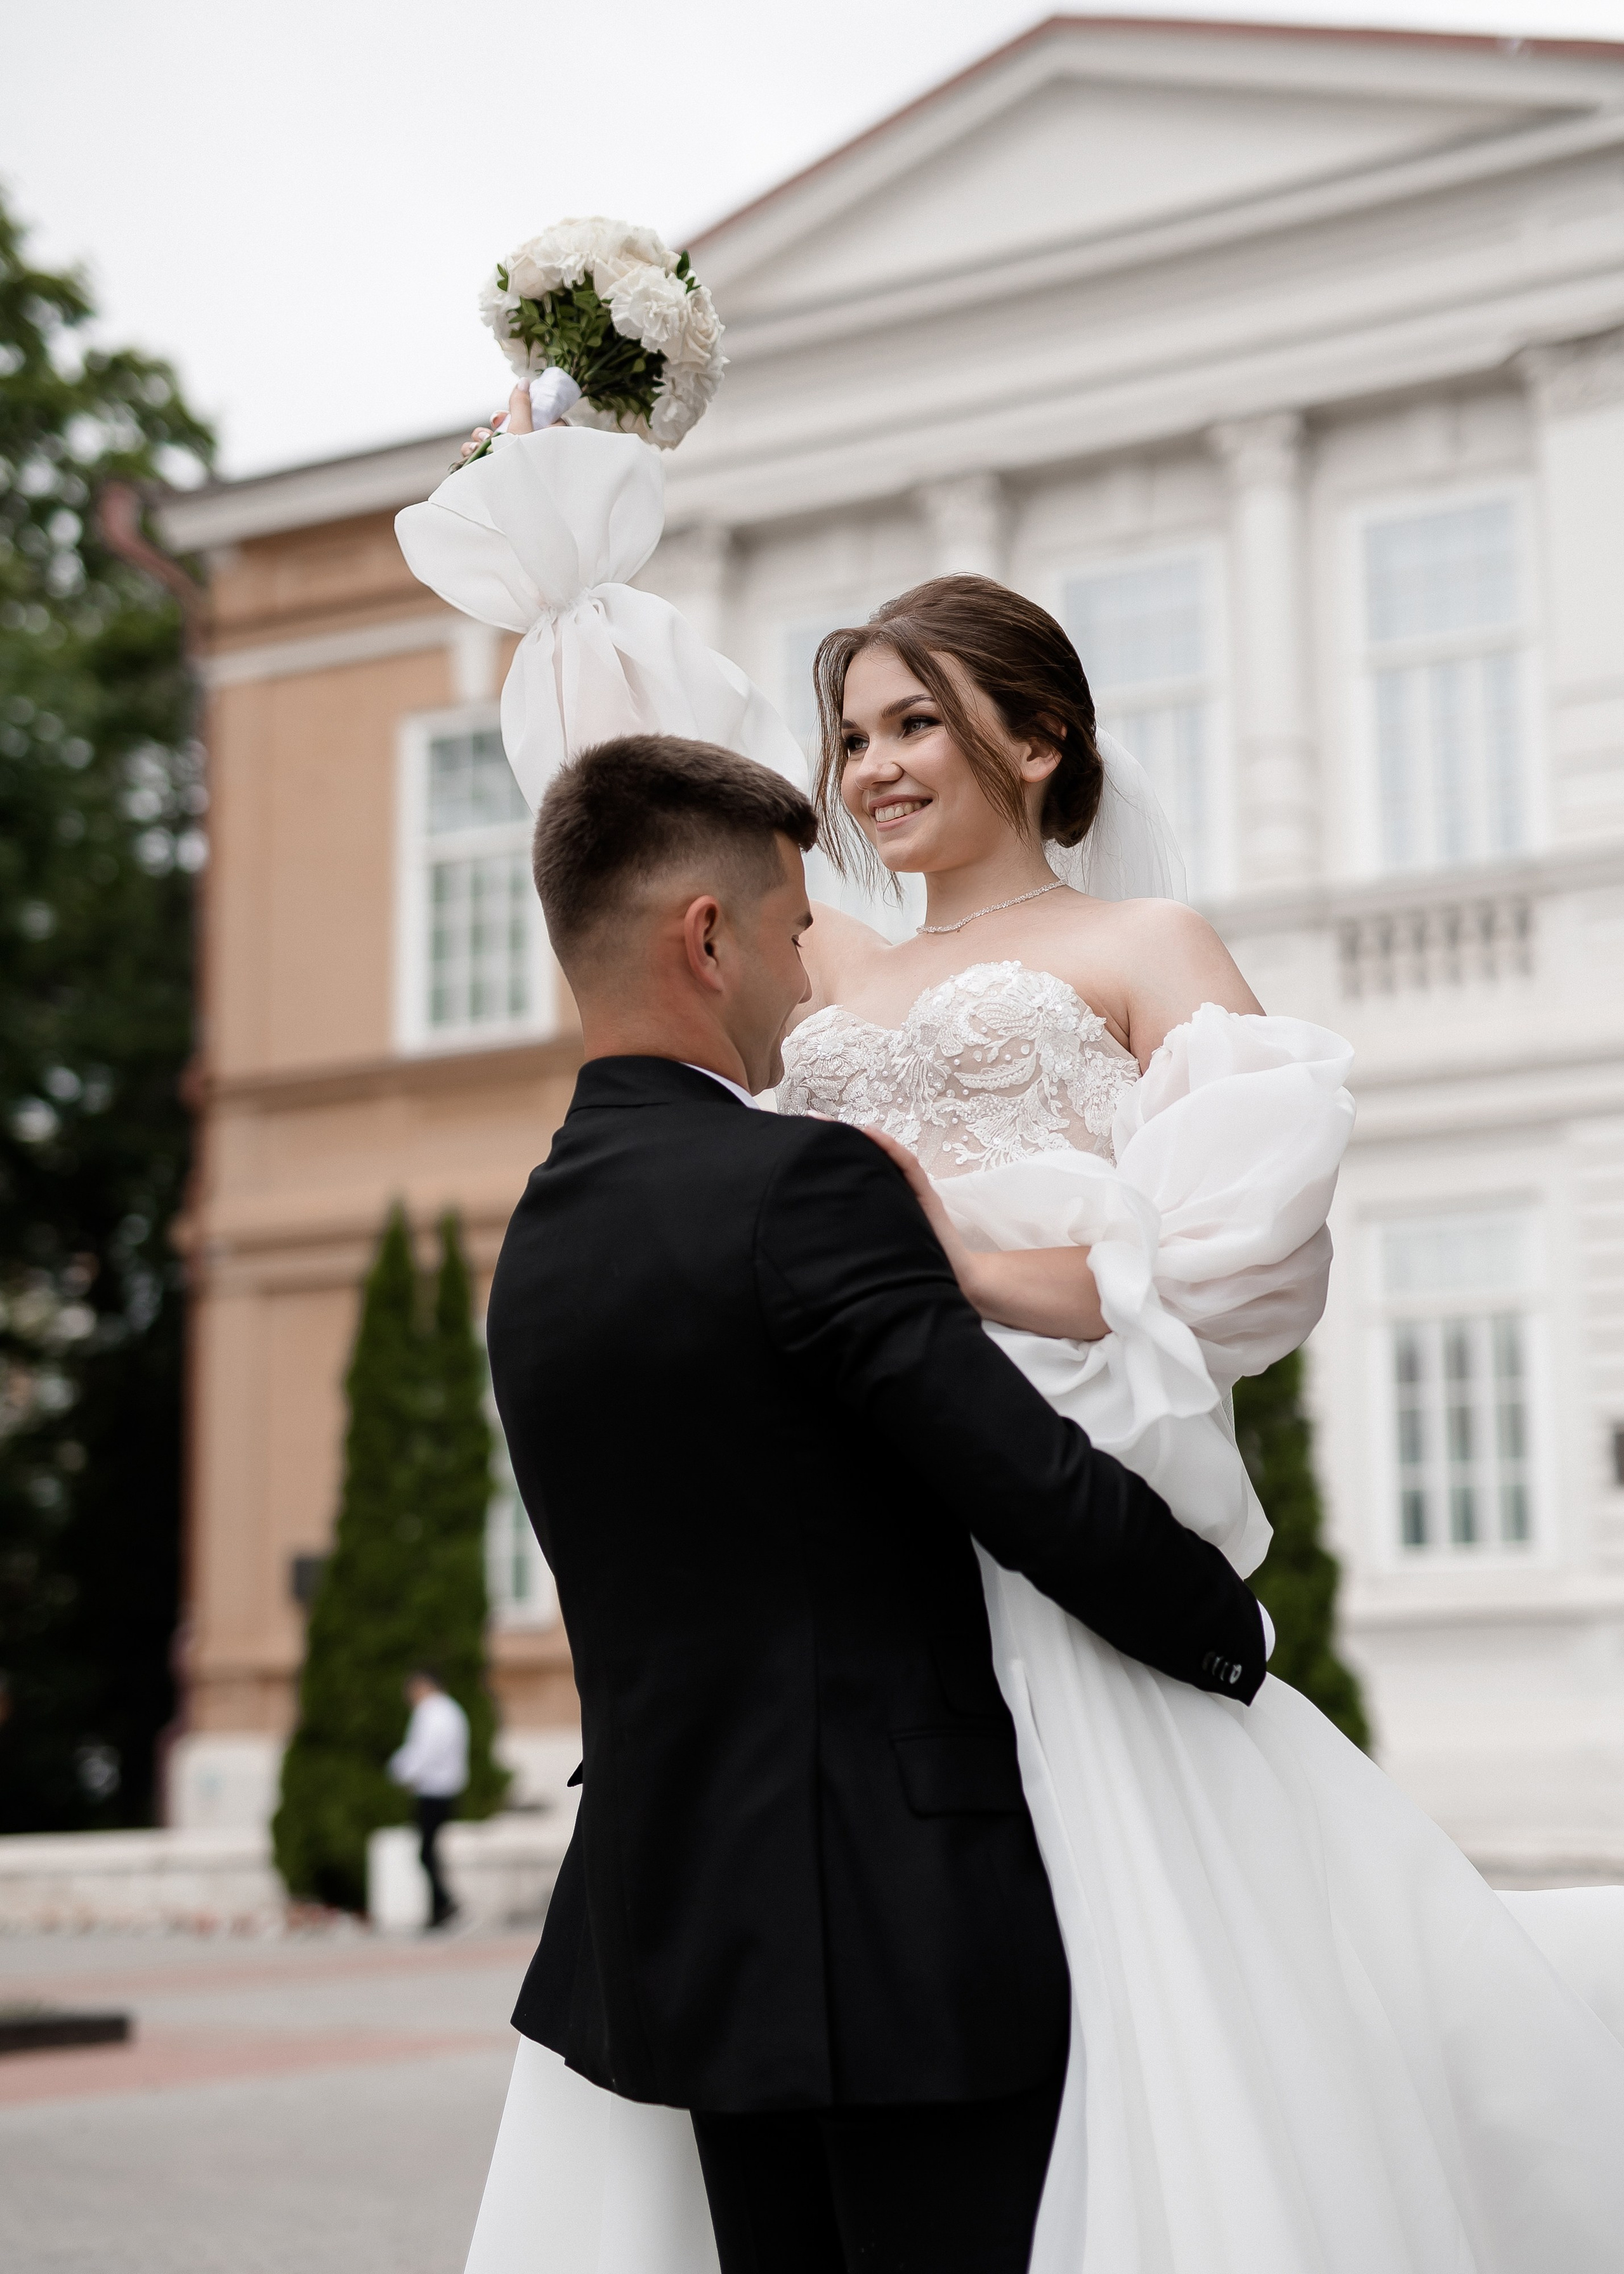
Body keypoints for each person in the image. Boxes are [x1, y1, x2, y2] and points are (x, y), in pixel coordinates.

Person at [403, 405, 1624, 2274]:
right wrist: (560, 512)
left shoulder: (1143, 945)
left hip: (1047, 1533)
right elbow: (630, 832)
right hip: (822, 1575)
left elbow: (1238, 1263)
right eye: (849, 734)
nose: (871, 766)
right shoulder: (800, 973)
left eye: (913, 722)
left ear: (1034, 741)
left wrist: (957, 1263)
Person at [478, 732, 1268, 2274]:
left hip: (678, 1917)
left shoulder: (538, 1239)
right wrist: (1219, 1629)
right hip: (897, 1920)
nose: (803, 975)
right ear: (704, 942)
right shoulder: (799, 1185)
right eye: (785, 931)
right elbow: (1013, 1478)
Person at [388, 1666, 468, 1930]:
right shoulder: (451, 1710)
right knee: (430, 1852)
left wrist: (400, 1772)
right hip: (446, 1788)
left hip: (433, 1789)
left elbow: (423, 1751)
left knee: (426, 1852)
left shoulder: (431, 1712)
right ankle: (440, 1907)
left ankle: (443, 1905)